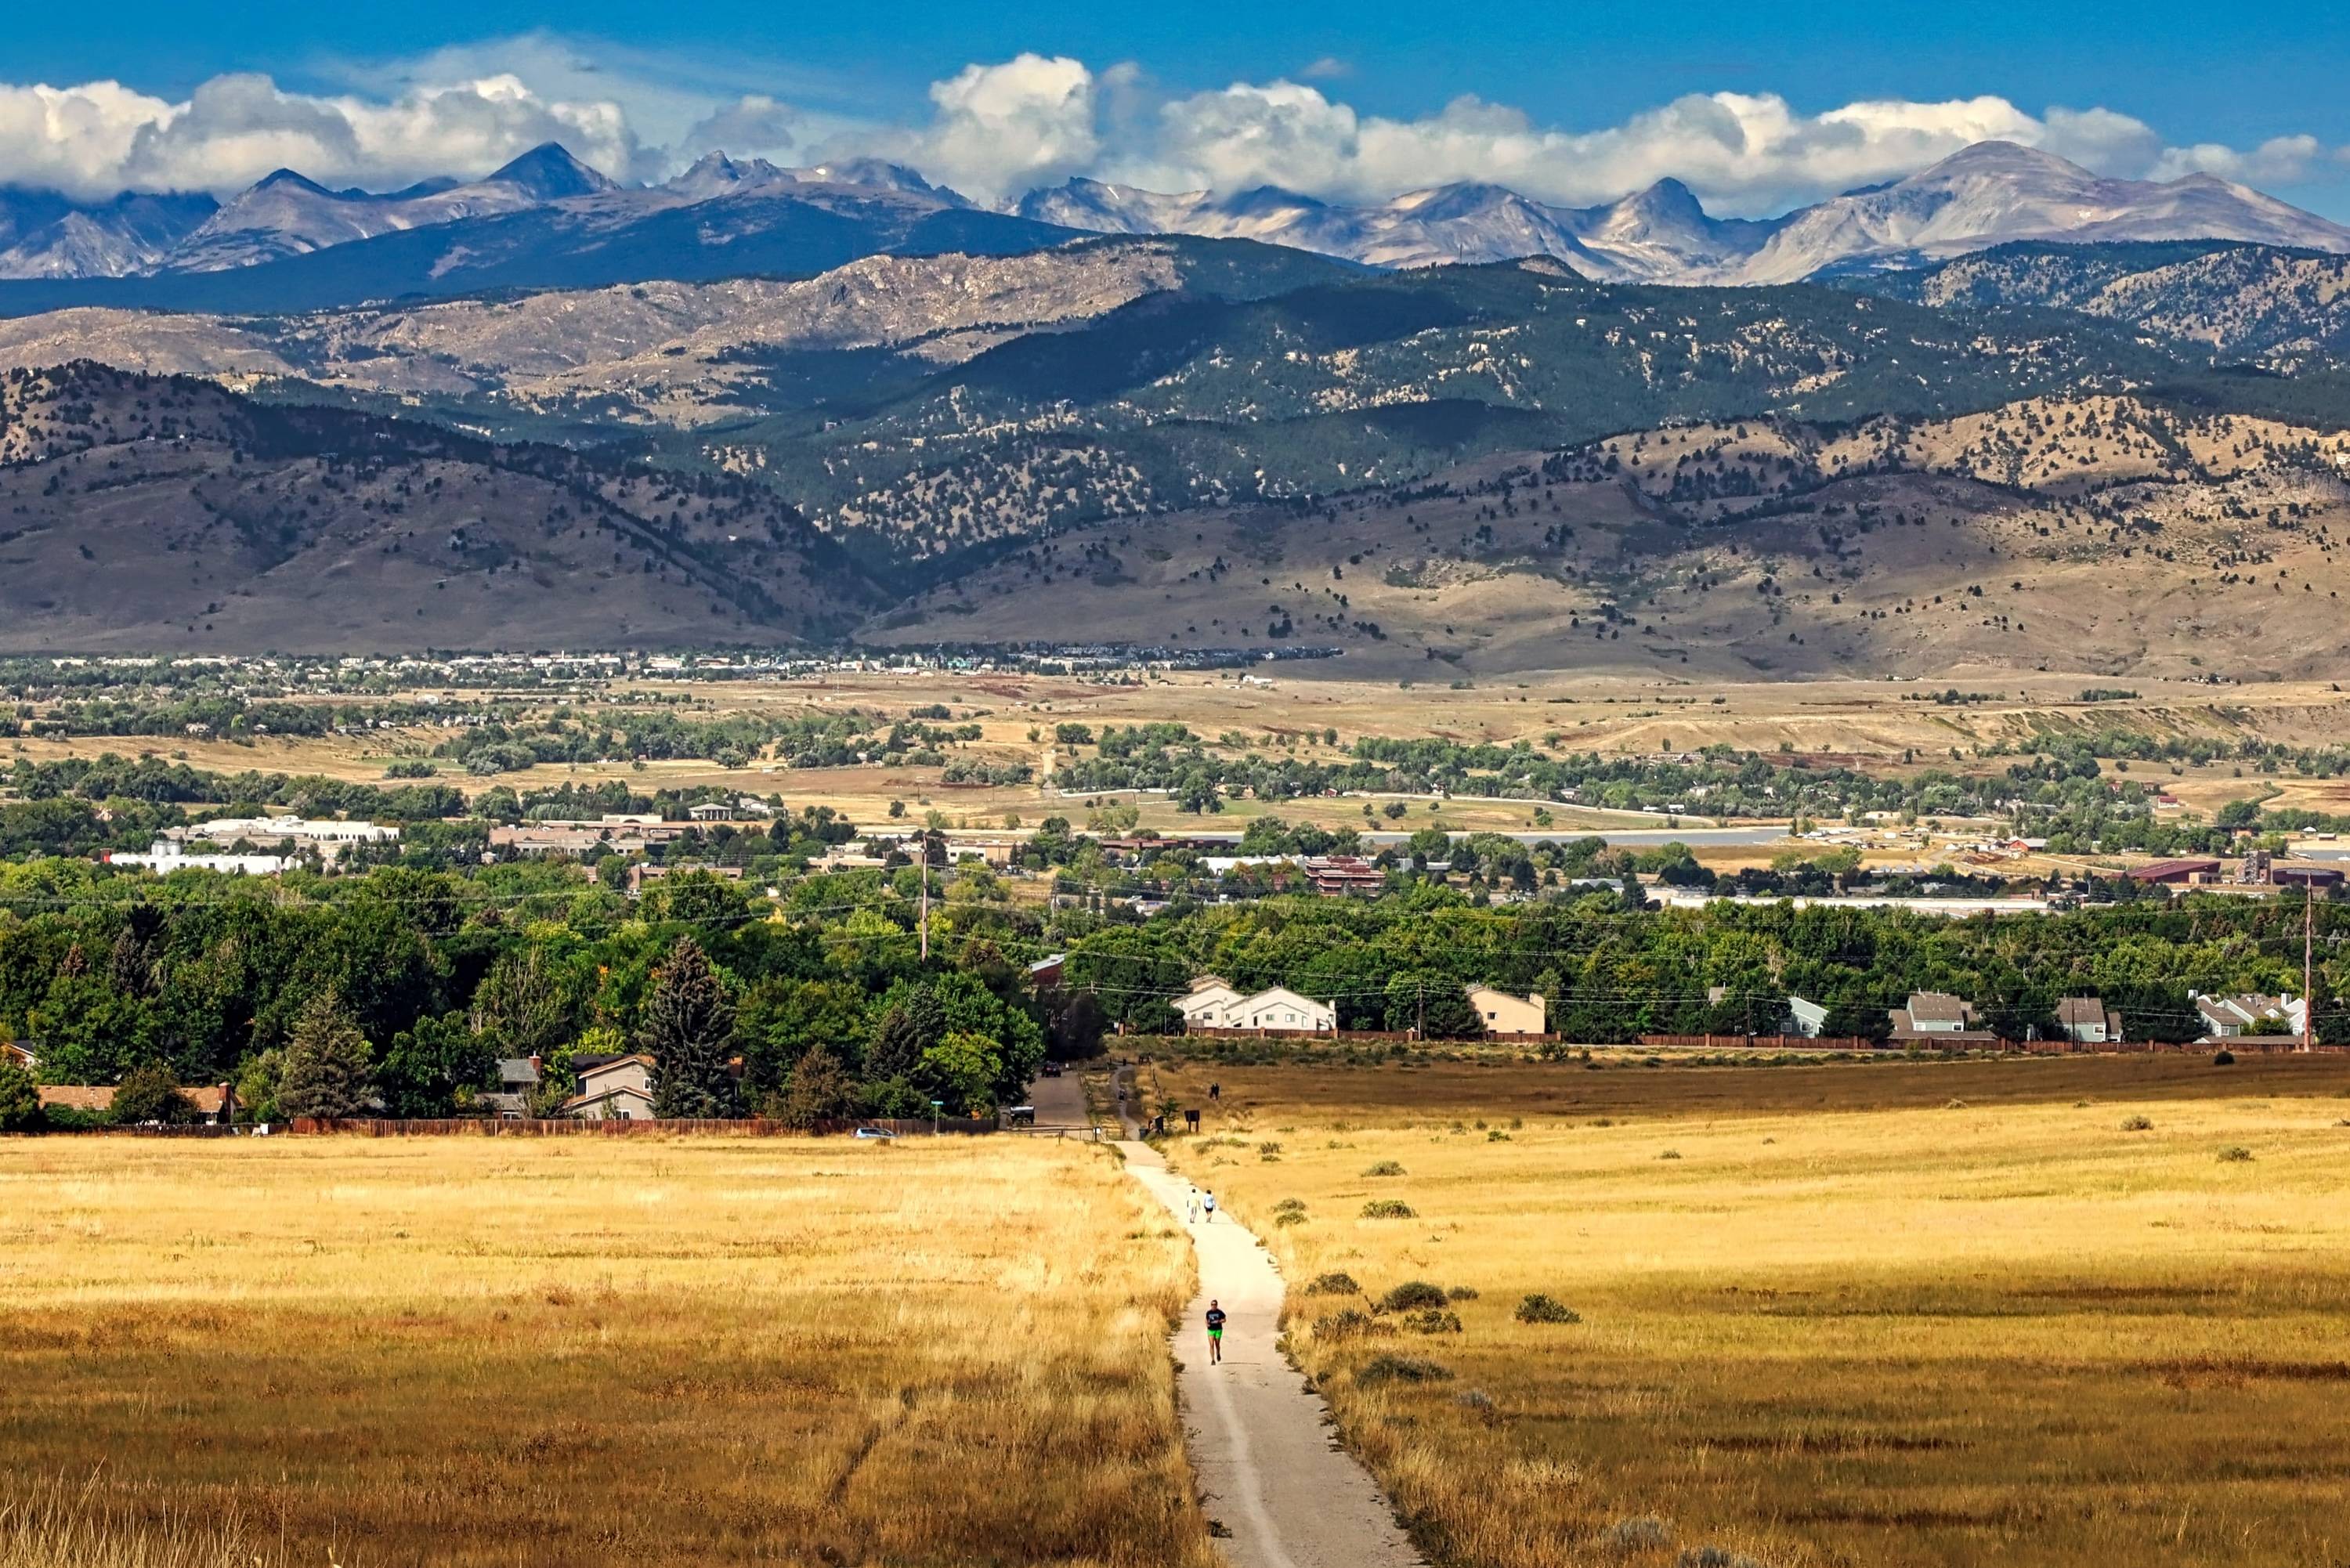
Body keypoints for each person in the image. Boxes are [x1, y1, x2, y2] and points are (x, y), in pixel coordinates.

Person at [1205, 1299, 1227, 1365]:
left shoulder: (1220, 1312)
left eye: (1214, 1304)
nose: (1213, 1306)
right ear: (1211, 1305)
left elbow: (1225, 1320)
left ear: (1217, 1305)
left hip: (1218, 1330)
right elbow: (1206, 1320)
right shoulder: (1208, 1312)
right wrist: (1207, 1324)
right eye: (1212, 1304)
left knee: (1217, 1344)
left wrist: (1219, 1321)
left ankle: (1218, 1353)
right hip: (1211, 1330)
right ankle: (1213, 1360)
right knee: (1211, 1345)